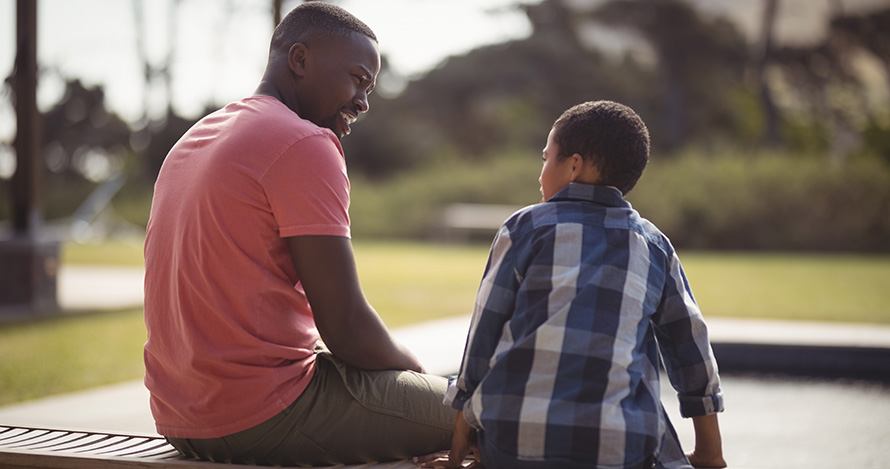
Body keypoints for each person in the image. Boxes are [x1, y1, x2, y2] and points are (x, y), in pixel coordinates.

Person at [142, 3, 454, 466]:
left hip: (180, 416)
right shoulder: (304, 142)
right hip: (263, 414)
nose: (363, 100)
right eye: (356, 78)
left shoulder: (197, 136)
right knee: (495, 413)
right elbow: (346, 327)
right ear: (300, 60)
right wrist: (418, 378)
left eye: (369, 87)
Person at [416, 101, 726, 469]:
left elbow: (483, 336)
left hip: (512, 445)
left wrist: (458, 450)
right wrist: (709, 453)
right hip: (618, 451)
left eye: (546, 159)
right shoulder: (652, 244)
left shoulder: (525, 227)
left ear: (574, 166)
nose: (541, 173)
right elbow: (690, 348)